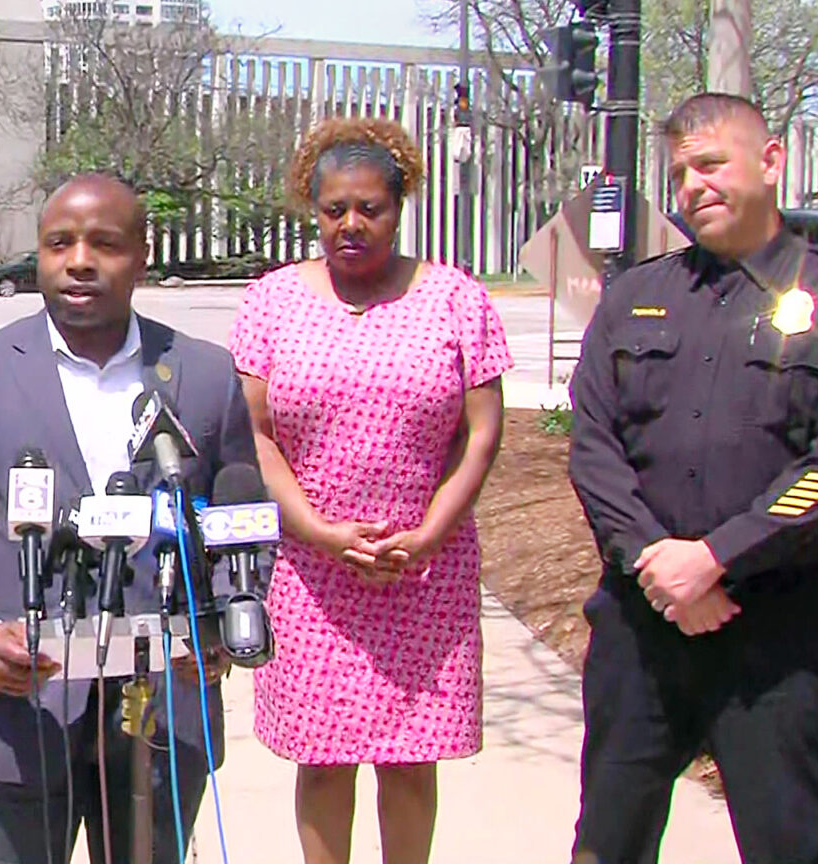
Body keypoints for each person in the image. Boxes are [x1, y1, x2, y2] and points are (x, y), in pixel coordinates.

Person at [567, 93, 818, 864]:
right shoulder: (635, 297)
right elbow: (594, 450)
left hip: (774, 636)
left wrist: (715, 556)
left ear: (771, 160)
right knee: (606, 844)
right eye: (680, 173)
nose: (693, 186)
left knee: (797, 844)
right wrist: (656, 560)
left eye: (711, 164)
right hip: (640, 627)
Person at [0, 172, 258, 864]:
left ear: (141, 259)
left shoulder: (204, 376)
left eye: (105, 243)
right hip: (16, 714)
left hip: (164, 712)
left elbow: (242, 519)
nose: (80, 260)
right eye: (60, 243)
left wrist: (223, 622)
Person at [227, 116, 511, 864]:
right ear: (312, 210)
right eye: (333, 211)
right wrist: (318, 531)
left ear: (399, 204)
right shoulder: (272, 300)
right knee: (320, 758)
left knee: (411, 756)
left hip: (425, 568)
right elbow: (254, 433)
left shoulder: (455, 298)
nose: (350, 225)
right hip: (311, 571)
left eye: (370, 209)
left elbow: (480, 433)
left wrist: (429, 534)